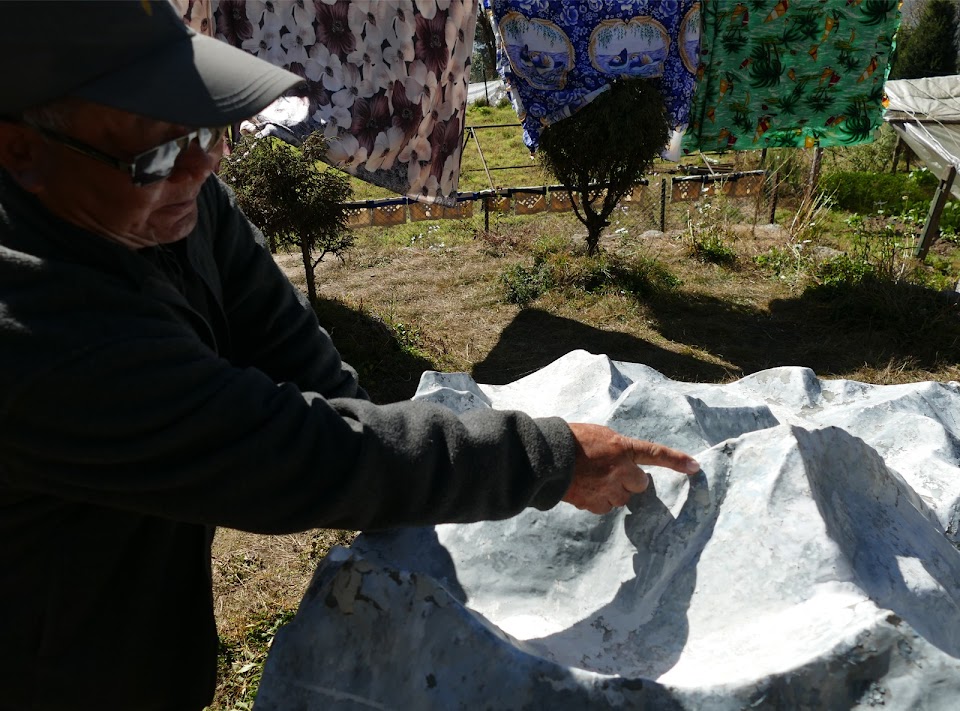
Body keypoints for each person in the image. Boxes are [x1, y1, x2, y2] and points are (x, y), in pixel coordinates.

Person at [0, 2, 699, 709]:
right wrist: (547, 457)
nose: (201, 165)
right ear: (20, 150)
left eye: (210, 126)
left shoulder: (171, 201)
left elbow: (303, 365)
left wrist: (402, 497)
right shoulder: (34, 328)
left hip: (129, 640)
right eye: (154, 153)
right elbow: (289, 455)